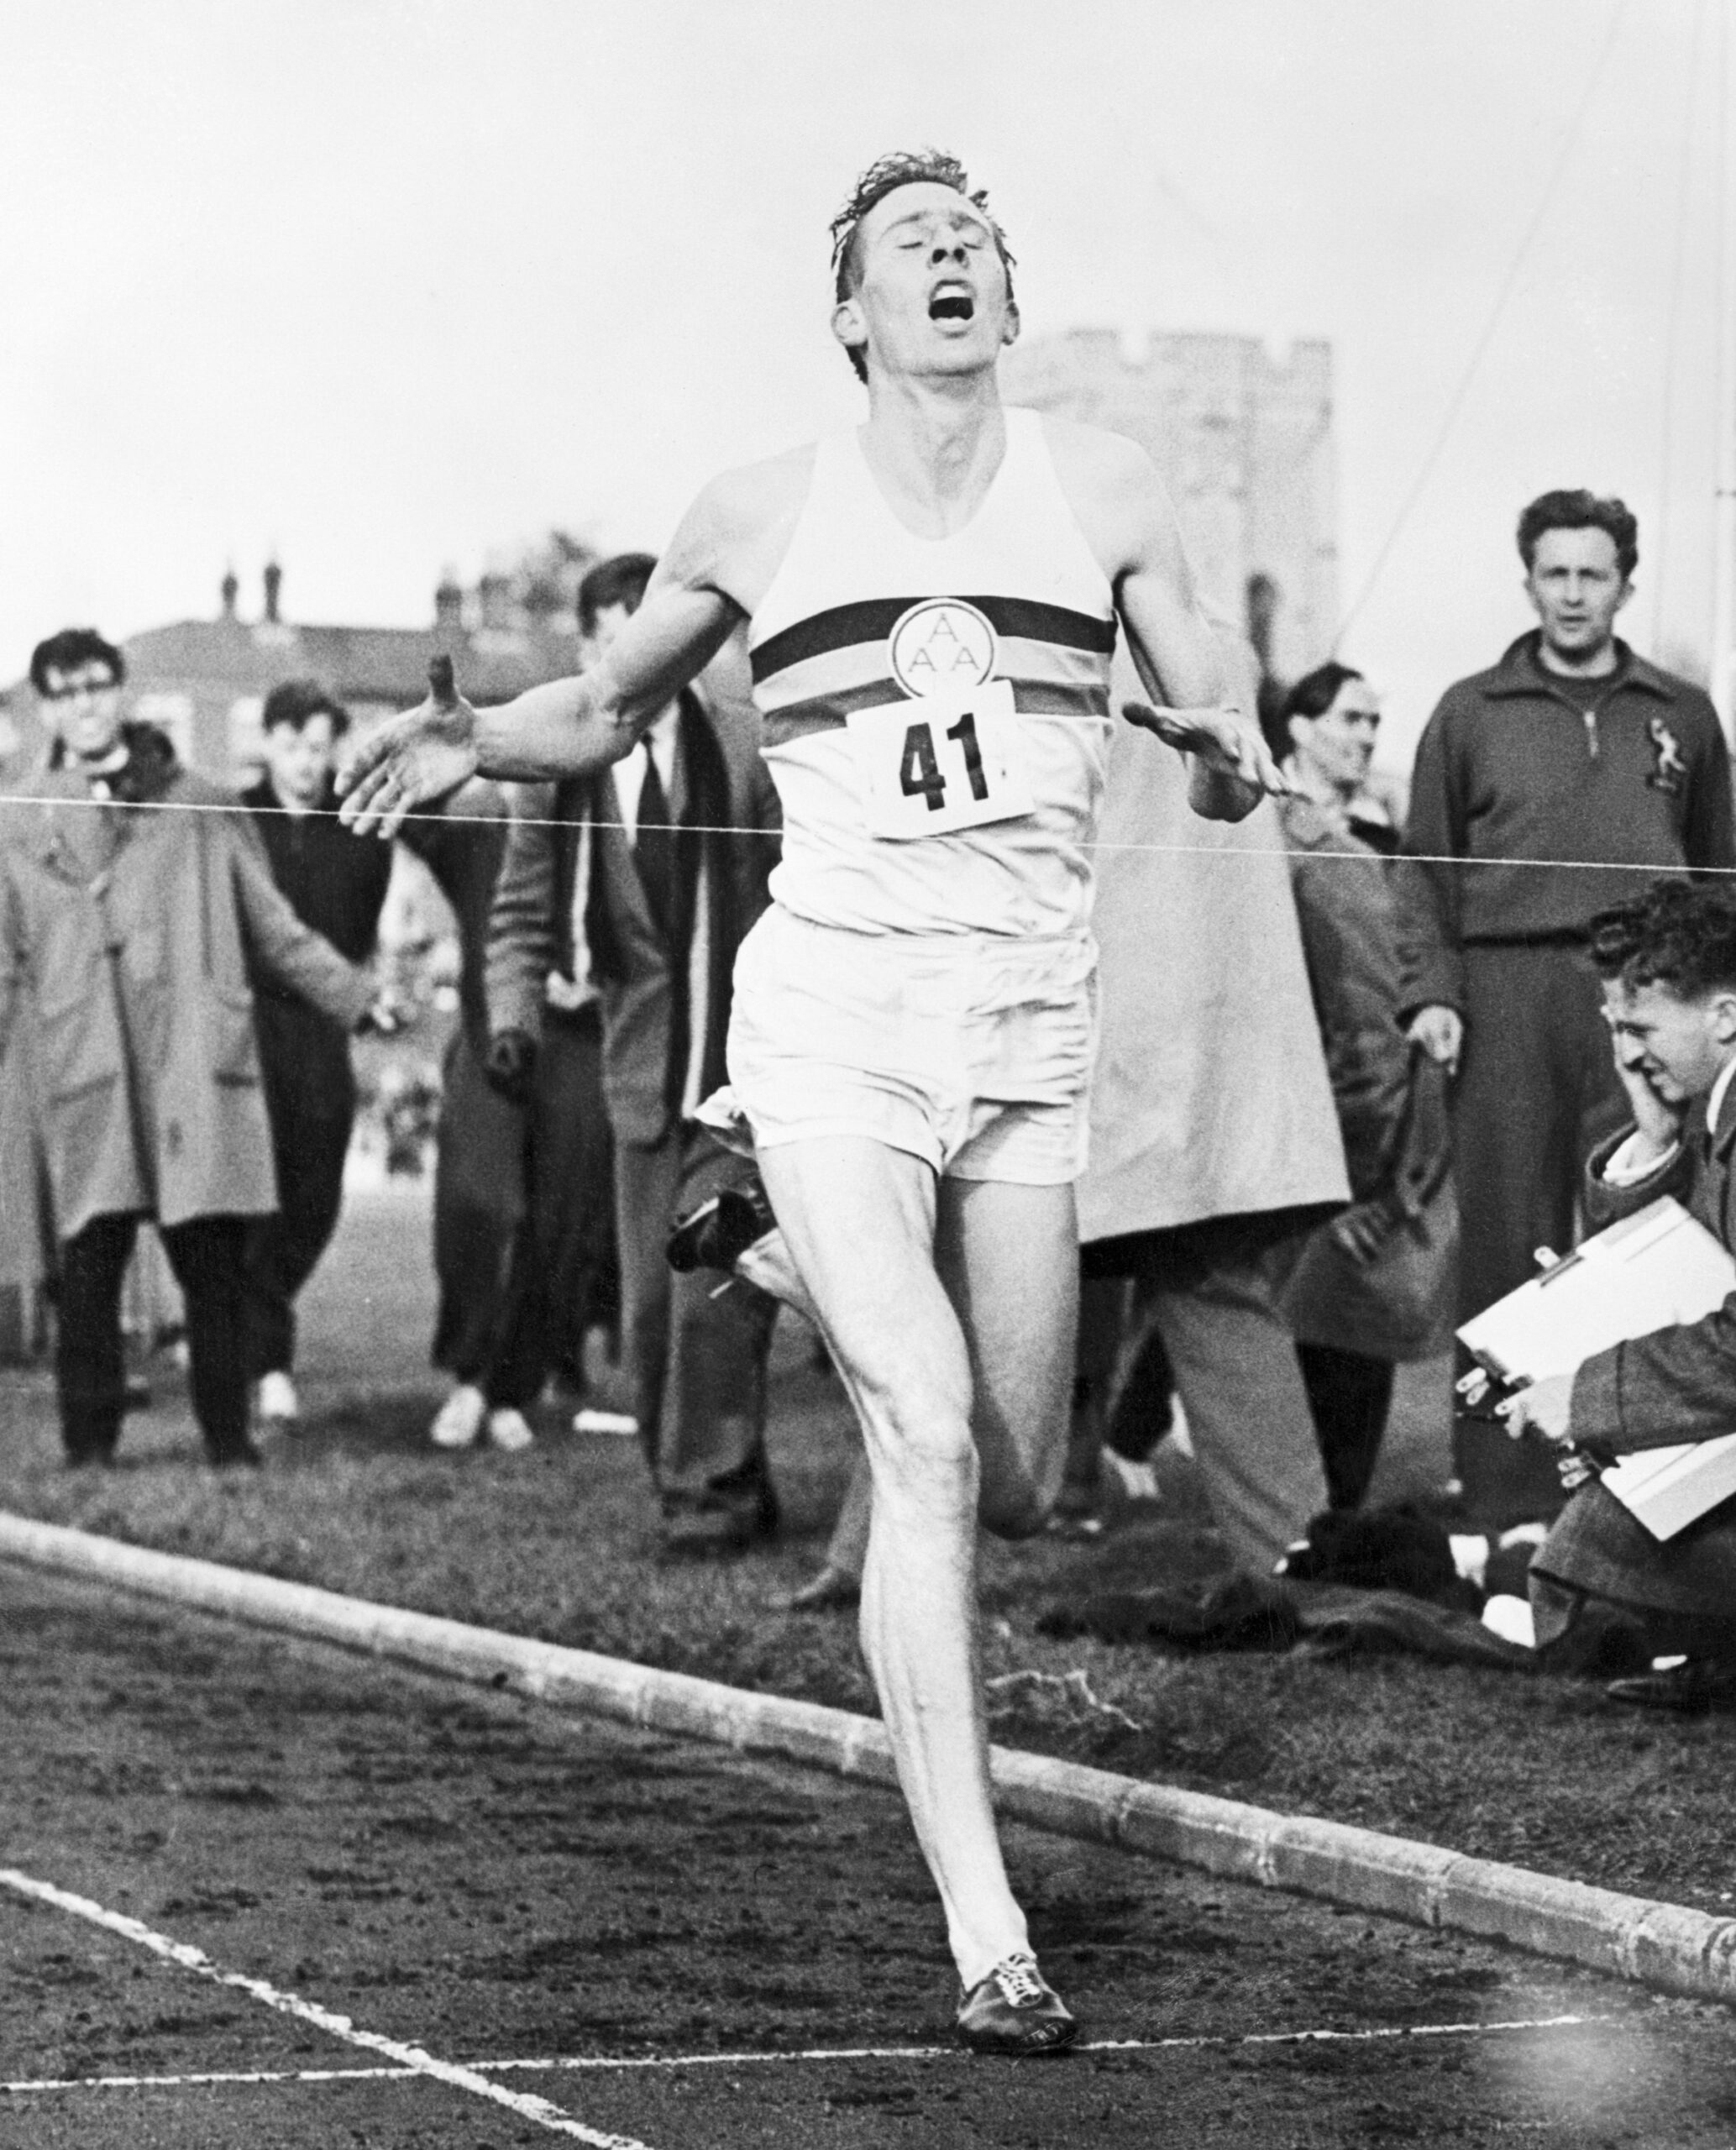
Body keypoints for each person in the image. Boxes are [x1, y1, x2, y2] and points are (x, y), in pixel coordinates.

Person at [338, 148, 1284, 2053]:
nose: (947, 258)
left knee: (1020, 1463)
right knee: (923, 1437)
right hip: (838, 1013)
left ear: (1006, 301)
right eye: (906, 245)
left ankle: (757, 1242)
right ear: (852, 310)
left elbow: (1220, 719)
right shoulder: (764, 506)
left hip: (1028, 1026)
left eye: (973, 241)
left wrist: (1224, 748)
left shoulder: (1099, 486)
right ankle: (988, 1929)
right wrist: (470, 735)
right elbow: (600, 709)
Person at [1399, 490, 1735, 1523]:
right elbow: (1422, 870)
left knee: (1643, 1230)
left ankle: (1629, 1496)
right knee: (1505, 1240)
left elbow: (1721, 871)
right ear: (1530, 580)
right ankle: (1498, 1504)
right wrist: (1432, 995)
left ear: (1625, 583)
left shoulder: (1679, 711)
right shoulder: (1469, 710)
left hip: (1647, 999)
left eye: (1595, 574)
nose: (1575, 594)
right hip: (1507, 994)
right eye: (1556, 573)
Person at [0, 629, 373, 1469]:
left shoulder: (198, 802)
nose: (85, 704)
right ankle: (88, 1446)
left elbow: (272, 928)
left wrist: (355, 996)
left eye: (97, 685)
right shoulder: (21, 817)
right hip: (83, 1062)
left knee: (210, 1260)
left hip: (184, 1066)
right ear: (48, 706)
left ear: (122, 690)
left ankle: (227, 1438)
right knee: (89, 1263)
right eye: (64, 692)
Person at [486, 553, 782, 1555]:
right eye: (608, 634)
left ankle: (708, 1503)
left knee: (716, 1300)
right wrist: (512, 1022)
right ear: (585, 653)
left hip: (741, 1063)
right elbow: (523, 914)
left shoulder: (741, 748)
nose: (631, 653)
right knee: (653, 1313)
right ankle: (711, 1477)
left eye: (646, 628)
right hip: (637, 1071)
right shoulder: (558, 772)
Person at [1499, 880, 1736, 1712]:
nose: (1624, 1052)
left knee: (1586, 1558)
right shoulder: (1719, 1101)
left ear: (1724, 1016)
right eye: (1614, 1030)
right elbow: (1687, 1258)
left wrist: (1589, 1395)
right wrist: (1658, 1127)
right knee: (1590, 1541)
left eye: (1639, 1029)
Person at [1276, 663, 1456, 1510]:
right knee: (1331, 1324)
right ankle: (1322, 1518)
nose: (1365, 736)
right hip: (1314, 1131)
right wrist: (1370, 1177)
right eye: (1350, 717)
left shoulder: (1360, 840)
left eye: (1375, 723)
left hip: (1310, 1130)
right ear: (1300, 727)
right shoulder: (1317, 847)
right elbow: (1365, 1027)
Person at [240, 681, 395, 1429]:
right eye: (293, 744)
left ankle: (248, 1323)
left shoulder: (357, 831)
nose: (306, 762)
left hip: (323, 1031)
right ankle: (268, 1360)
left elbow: (358, 934)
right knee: (256, 1199)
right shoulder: (235, 819)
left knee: (316, 1199)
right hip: (248, 1029)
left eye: (318, 746)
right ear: (267, 741)